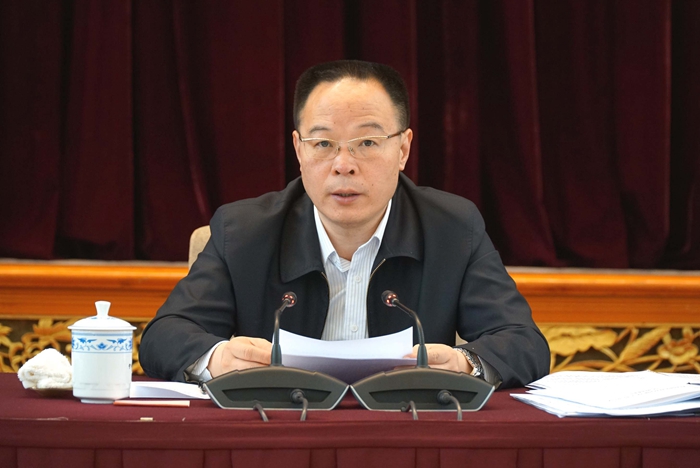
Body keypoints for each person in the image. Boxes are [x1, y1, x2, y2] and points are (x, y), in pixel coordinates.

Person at [139, 60, 550, 389]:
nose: (343, 165)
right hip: (280, 435)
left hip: (406, 435)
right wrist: (217, 359)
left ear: (403, 149)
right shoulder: (243, 231)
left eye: (367, 143)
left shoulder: (453, 229)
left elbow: (524, 342)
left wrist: (464, 363)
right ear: (299, 150)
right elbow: (164, 335)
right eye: (323, 144)